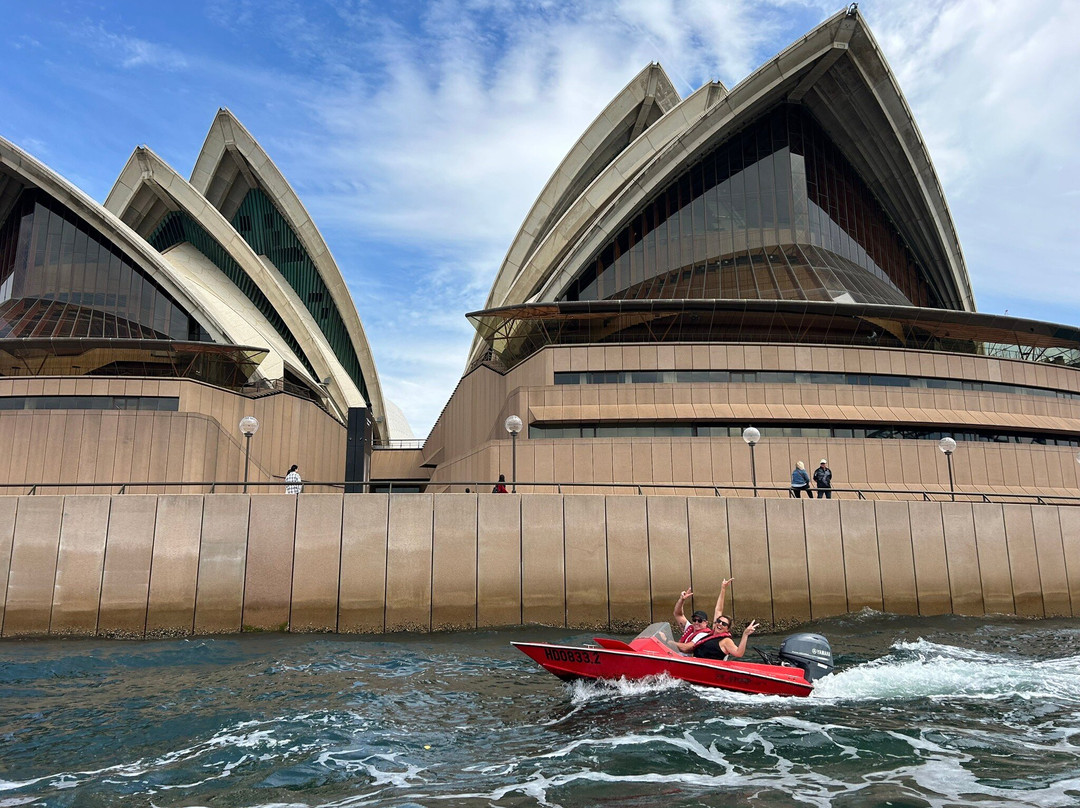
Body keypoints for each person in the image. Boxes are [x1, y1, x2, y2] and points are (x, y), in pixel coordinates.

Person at [673, 578, 734, 652]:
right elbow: (678, 614)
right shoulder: (690, 628)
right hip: (676, 656)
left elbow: (685, 648)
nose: (696, 622)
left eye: (700, 620)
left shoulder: (704, 635)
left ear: (706, 623)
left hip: (688, 659)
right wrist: (681, 600)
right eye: (694, 620)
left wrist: (668, 642)